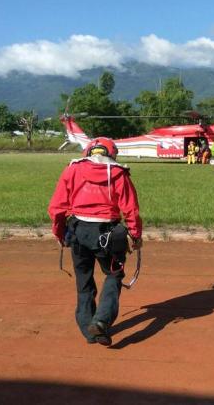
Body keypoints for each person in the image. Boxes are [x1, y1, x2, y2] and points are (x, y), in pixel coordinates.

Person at [48, 137, 142, 347]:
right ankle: (101, 321)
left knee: (84, 280)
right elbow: (131, 209)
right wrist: (135, 236)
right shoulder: (119, 173)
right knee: (114, 274)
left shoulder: (71, 170)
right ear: (112, 153)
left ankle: (89, 329)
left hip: (78, 231)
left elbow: (57, 207)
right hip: (108, 233)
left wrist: (59, 233)